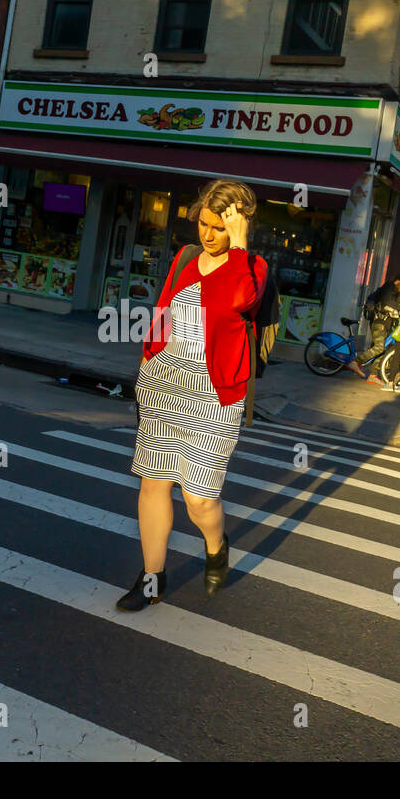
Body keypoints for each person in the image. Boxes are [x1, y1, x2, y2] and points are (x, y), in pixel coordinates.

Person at [119, 179, 269, 612]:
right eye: (203, 224)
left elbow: (241, 302)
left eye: (219, 228)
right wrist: (150, 359)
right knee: (154, 483)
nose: (207, 235)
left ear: (239, 226)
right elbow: (165, 310)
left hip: (215, 395)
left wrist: (238, 246)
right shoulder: (185, 258)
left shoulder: (253, 268)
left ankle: (216, 542)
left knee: (199, 500)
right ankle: (152, 579)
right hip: (164, 384)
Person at [353, 272, 400, 381]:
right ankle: (356, 361)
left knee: (382, 349)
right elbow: (388, 302)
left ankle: (373, 375)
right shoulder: (389, 287)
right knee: (379, 347)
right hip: (379, 322)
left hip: (385, 324)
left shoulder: (395, 292)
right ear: (399, 281)